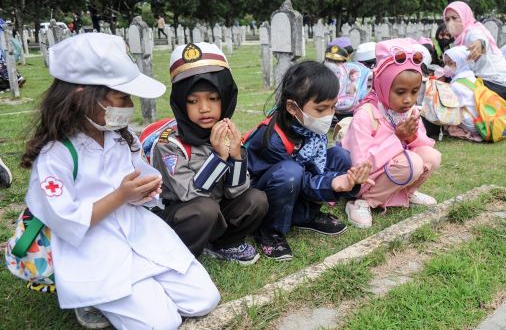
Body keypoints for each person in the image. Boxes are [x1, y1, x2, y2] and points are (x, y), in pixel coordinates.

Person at [20, 33, 219, 329]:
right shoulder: (57, 155)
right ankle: (98, 298)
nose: (129, 106)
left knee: (204, 300)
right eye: (122, 97)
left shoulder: (120, 137)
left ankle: (143, 289)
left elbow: (140, 178)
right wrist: (121, 196)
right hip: (94, 246)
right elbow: (65, 218)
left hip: (137, 231)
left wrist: (145, 191)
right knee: (161, 323)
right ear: (82, 95)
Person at [151, 42, 268, 264]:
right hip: (184, 214)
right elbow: (190, 195)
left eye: (213, 98)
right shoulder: (169, 144)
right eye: (193, 101)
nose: (204, 108)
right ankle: (179, 257)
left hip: (216, 209)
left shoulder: (226, 132)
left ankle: (224, 244)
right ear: (180, 103)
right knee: (205, 209)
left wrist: (235, 157)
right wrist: (218, 157)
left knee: (256, 199)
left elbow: (237, 192)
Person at [246, 61, 372, 260]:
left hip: (296, 183)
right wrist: (333, 182)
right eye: (321, 109)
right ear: (292, 107)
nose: (329, 115)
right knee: (290, 172)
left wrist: (349, 180)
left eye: (333, 107)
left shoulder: (309, 129)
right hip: (264, 195)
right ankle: (269, 232)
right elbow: (301, 178)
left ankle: (305, 216)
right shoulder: (272, 139)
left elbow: (315, 167)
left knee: (340, 156)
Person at [341, 39, 441, 229]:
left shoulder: (407, 112)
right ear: (383, 85)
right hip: (364, 177)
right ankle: (363, 202)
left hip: (394, 167)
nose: (408, 100)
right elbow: (361, 164)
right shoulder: (367, 113)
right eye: (400, 92)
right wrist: (397, 138)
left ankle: (406, 193)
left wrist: (411, 135)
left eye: (414, 92)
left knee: (431, 156)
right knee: (412, 163)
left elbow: (421, 145)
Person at [443, 1, 506, 111]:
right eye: (447, 19)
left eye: (455, 18)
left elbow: (480, 39)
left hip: (500, 87)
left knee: (456, 89)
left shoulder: (472, 32)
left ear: (465, 16)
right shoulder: (461, 38)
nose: (451, 22)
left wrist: (479, 43)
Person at [442, 46, 483, 142]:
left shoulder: (456, 85)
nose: (447, 67)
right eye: (446, 63)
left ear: (461, 62)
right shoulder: (471, 76)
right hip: (482, 120)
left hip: (472, 125)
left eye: (450, 63)